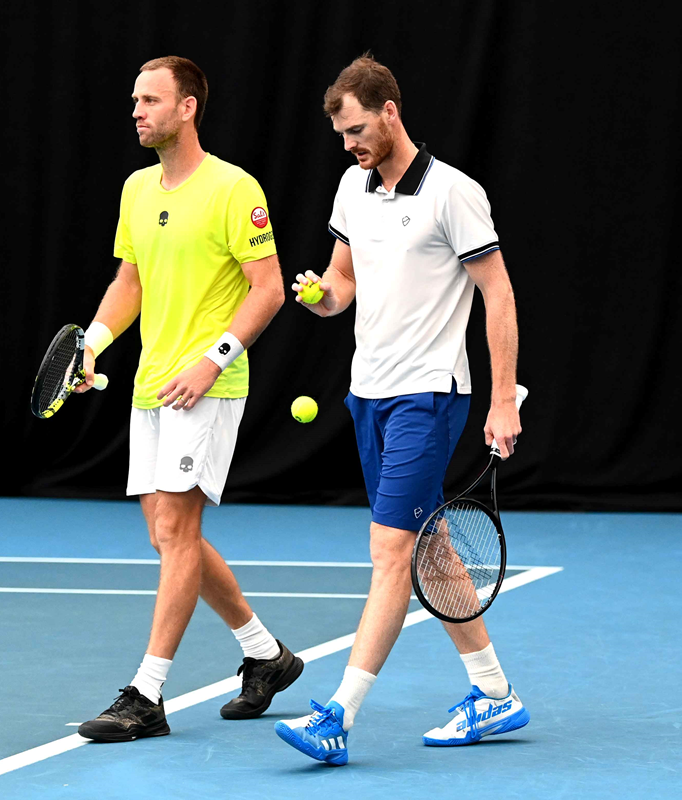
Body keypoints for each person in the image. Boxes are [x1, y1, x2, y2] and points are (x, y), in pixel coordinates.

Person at [274, 54, 526, 765]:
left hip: (430, 394)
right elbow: (342, 283)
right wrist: (319, 296)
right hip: (369, 393)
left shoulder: (454, 193)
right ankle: (494, 692)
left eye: (357, 129)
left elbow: (498, 295)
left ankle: (337, 716)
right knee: (428, 546)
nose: (350, 144)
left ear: (390, 111)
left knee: (389, 551)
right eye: (340, 134)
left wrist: (502, 397)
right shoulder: (352, 189)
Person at [73, 56, 300, 742]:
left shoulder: (234, 189)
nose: (137, 111)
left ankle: (147, 695)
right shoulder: (137, 189)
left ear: (187, 107)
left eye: (150, 100)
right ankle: (267, 656)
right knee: (170, 537)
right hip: (151, 382)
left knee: (176, 534)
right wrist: (92, 344)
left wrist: (213, 360)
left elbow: (269, 287)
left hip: (208, 384)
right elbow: (129, 281)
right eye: (134, 101)